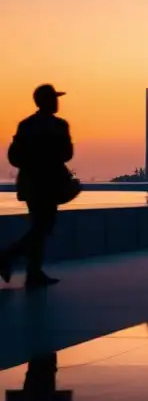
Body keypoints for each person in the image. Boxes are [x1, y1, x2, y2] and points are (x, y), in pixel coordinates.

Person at [1, 85, 76, 288]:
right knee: (43, 226)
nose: (57, 102)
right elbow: (67, 154)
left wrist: (32, 161)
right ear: (48, 101)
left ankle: (33, 272)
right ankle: (9, 257)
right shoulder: (59, 125)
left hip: (31, 183)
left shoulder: (26, 125)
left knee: (39, 225)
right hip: (49, 183)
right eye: (54, 98)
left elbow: (14, 157)